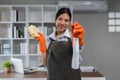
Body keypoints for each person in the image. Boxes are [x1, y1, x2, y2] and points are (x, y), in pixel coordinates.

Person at [28, 7, 84, 80]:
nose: (62, 23)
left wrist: (78, 41)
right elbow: (45, 64)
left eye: (66, 20)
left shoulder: (74, 36)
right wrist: (41, 44)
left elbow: (77, 59)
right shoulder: (48, 39)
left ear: (69, 23)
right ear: (55, 20)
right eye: (60, 19)